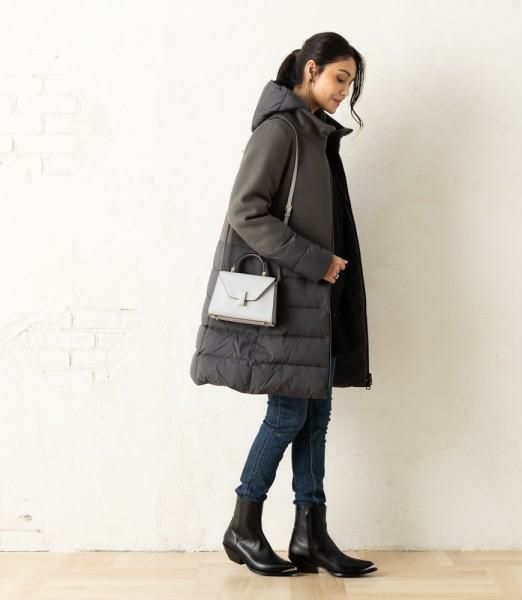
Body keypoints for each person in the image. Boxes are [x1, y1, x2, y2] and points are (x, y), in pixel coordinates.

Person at [190, 32, 375, 577]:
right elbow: (246, 212)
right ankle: (243, 526)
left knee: (315, 415)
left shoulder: (315, 134)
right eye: (340, 78)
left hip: (316, 301)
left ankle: (310, 535)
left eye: (351, 84)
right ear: (311, 69)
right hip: (290, 301)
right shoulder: (281, 131)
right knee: (288, 414)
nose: (344, 92)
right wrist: (316, 261)